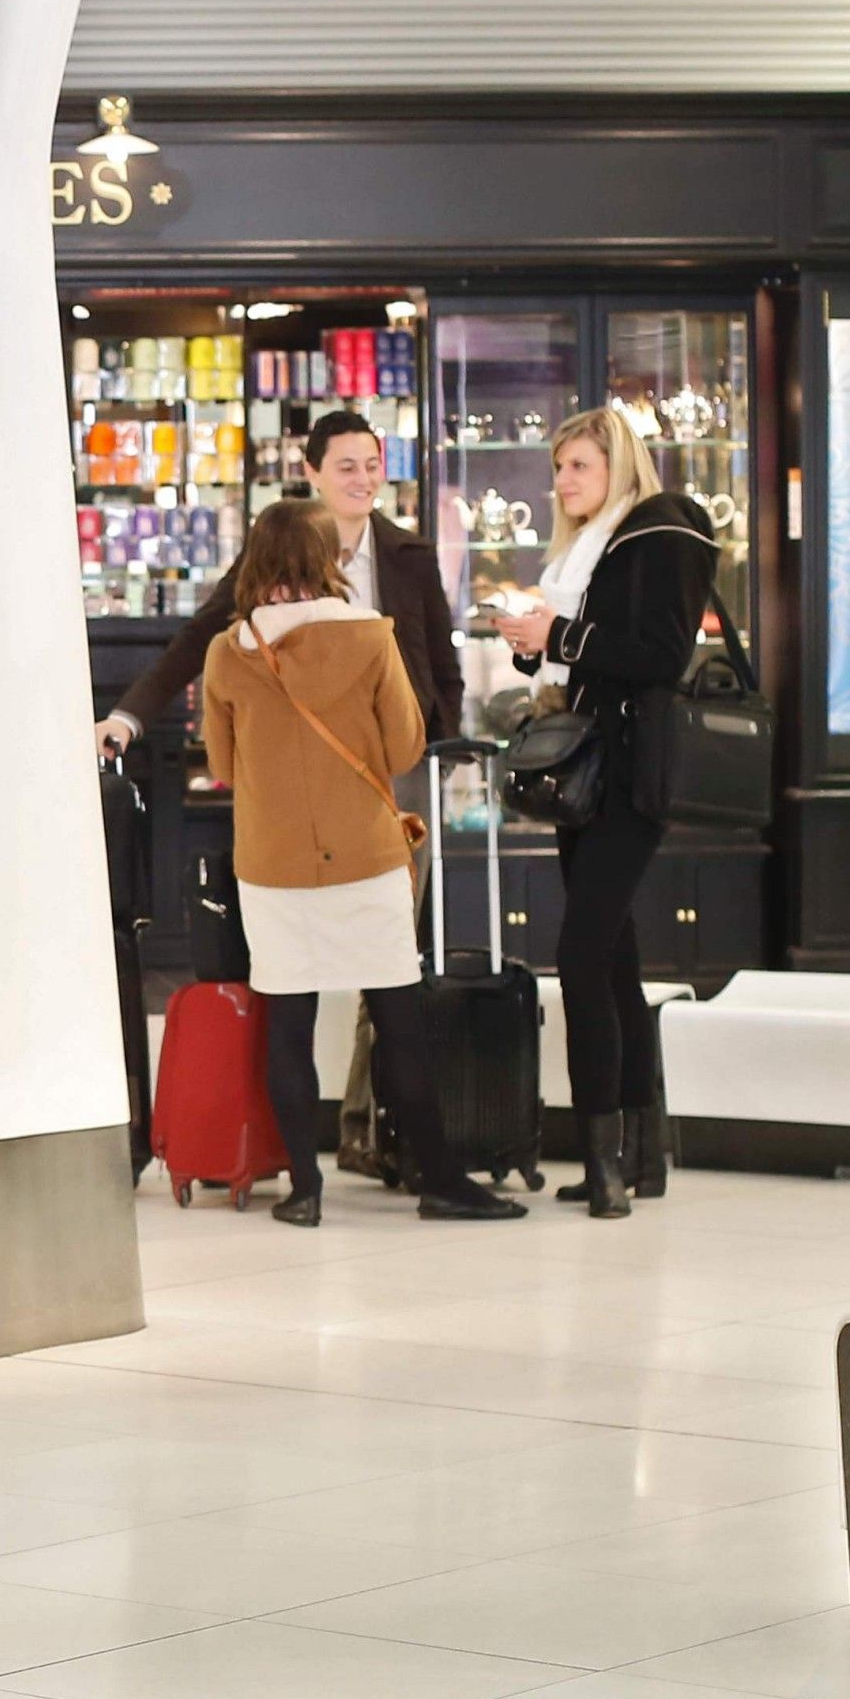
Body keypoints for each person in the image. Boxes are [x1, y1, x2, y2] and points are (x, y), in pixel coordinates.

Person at [202, 499, 525, 1228]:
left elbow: (220, 762)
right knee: (398, 1021)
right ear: (332, 560)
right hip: (367, 857)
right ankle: (441, 1179)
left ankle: (305, 1190)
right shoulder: (372, 637)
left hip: (273, 864)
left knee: (287, 1023)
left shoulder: (228, 652)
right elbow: (407, 746)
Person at [493, 406, 715, 1220]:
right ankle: (637, 1154)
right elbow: (586, 645)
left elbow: (658, 655)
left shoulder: (662, 530)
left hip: (630, 774)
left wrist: (560, 633)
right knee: (613, 960)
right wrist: (533, 639)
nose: (563, 483)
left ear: (617, 464)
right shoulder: (590, 549)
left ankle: (606, 1161)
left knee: (581, 956)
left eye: (578, 467)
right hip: (586, 773)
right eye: (558, 469)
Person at [100, 409, 458, 756]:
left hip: (397, 754)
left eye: (372, 466)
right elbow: (199, 636)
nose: (363, 480)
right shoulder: (279, 549)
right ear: (312, 473)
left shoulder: (412, 556)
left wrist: (445, 752)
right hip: (302, 753)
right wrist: (126, 718)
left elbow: (442, 665)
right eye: (347, 468)